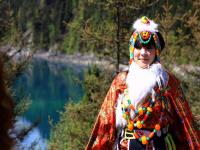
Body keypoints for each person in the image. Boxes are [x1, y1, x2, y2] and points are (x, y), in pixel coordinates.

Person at [86, 16, 200, 150]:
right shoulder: (121, 81)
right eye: (138, 48)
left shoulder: (167, 82)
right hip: (125, 145)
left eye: (149, 48)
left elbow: (184, 124)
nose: (143, 53)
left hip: (159, 145)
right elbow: (105, 123)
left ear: (156, 51)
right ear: (132, 50)